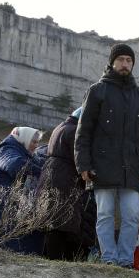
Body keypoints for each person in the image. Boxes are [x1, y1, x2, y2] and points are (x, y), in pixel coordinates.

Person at [74, 43, 139, 268]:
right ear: (112, 63)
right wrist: (83, 164)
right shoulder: (97, 91)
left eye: (129, 60)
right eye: (120, 59)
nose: (125, 64)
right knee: (105, 215)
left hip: (132, 168)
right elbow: (83, 131)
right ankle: (109, 259)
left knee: (131, 214)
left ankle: (125, 260)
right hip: (101, 167)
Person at [39, 108, 94, 261]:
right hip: (65, 180)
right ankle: (56, 261)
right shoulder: (75, 132)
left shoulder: (61, 127)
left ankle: (52, 259)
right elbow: (80, 160)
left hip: (53, 177)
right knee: (61, 223)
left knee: (53, 220)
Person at [0, 127, 43, 253]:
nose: (36, 145)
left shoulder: (25, 153)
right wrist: (42, 172)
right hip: (1, 207)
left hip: (13, 207)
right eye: (33, 142)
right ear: (25, 139)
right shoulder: (7, 149)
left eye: (38, 142)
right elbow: (14, 165)